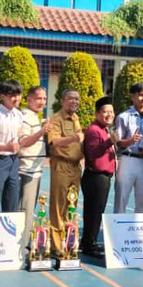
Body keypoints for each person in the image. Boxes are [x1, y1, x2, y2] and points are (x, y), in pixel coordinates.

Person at [47, 89, 84, 253]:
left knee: (71, 205)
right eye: (71, 99)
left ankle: (68, 241)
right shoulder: (56, 119)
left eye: (77, 99)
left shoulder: (76, 119)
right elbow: (54, 141)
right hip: (61, 165)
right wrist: (73, 138)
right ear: (63, 101)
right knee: (58, 206)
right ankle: (56, 246)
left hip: (76, 167)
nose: (74, 102)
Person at [80, 97, 116, 258]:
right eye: (105, 111)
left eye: (111, 111)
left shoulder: (104, 129)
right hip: (96, 176)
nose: (109, 115)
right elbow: (93, 153)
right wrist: (109, 142)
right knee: (94, 212)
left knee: (95, 211)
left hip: (102, 176)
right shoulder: (94, 130)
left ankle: (88, 241)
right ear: (97, 113)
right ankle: (90, 244)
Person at [113, 82, 143, 214]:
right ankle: (117, 231)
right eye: (140, 95)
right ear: (132, 97)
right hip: (128, 159)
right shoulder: (123, 117)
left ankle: (138, 232)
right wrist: (130, 141)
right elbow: (118, 143)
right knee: (121, 197)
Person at [17, 86, 51, 237]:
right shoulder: (25, 116)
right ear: (29, 99)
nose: (42, 102)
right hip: (26, 170)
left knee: (30, 209)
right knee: (25, 209)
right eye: (38, 98)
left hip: (36, 170)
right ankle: (21, 248)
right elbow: (23, 142)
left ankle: (25, 245)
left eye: (44, 98)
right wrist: (42, 132)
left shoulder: (37, 116)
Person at [0, 80, 23, 213]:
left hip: (13, 161)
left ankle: (10, 231)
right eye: (12, 95)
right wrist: (6, 147)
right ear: (2, 96)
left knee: (12, 199)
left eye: (18, 94)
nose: (16, 98)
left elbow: (19, 138)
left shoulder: (19, 115)